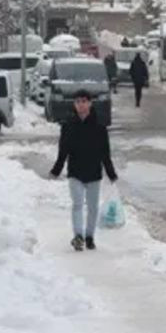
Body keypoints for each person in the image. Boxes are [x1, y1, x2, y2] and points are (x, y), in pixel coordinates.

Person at [50, 89, 118, 251]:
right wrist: (56, 169)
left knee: (93, 207)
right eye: (78, 101)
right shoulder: (68, 126)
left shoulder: (100, 127)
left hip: (94, 172)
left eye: (84, 101)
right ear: (74, 104)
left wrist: (111, 173)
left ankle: (89, 236)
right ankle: (78, 235)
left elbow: (105, 153)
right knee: (77, 204)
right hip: (75, 172)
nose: (81, 104)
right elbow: (63, 150)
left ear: (90, 103)